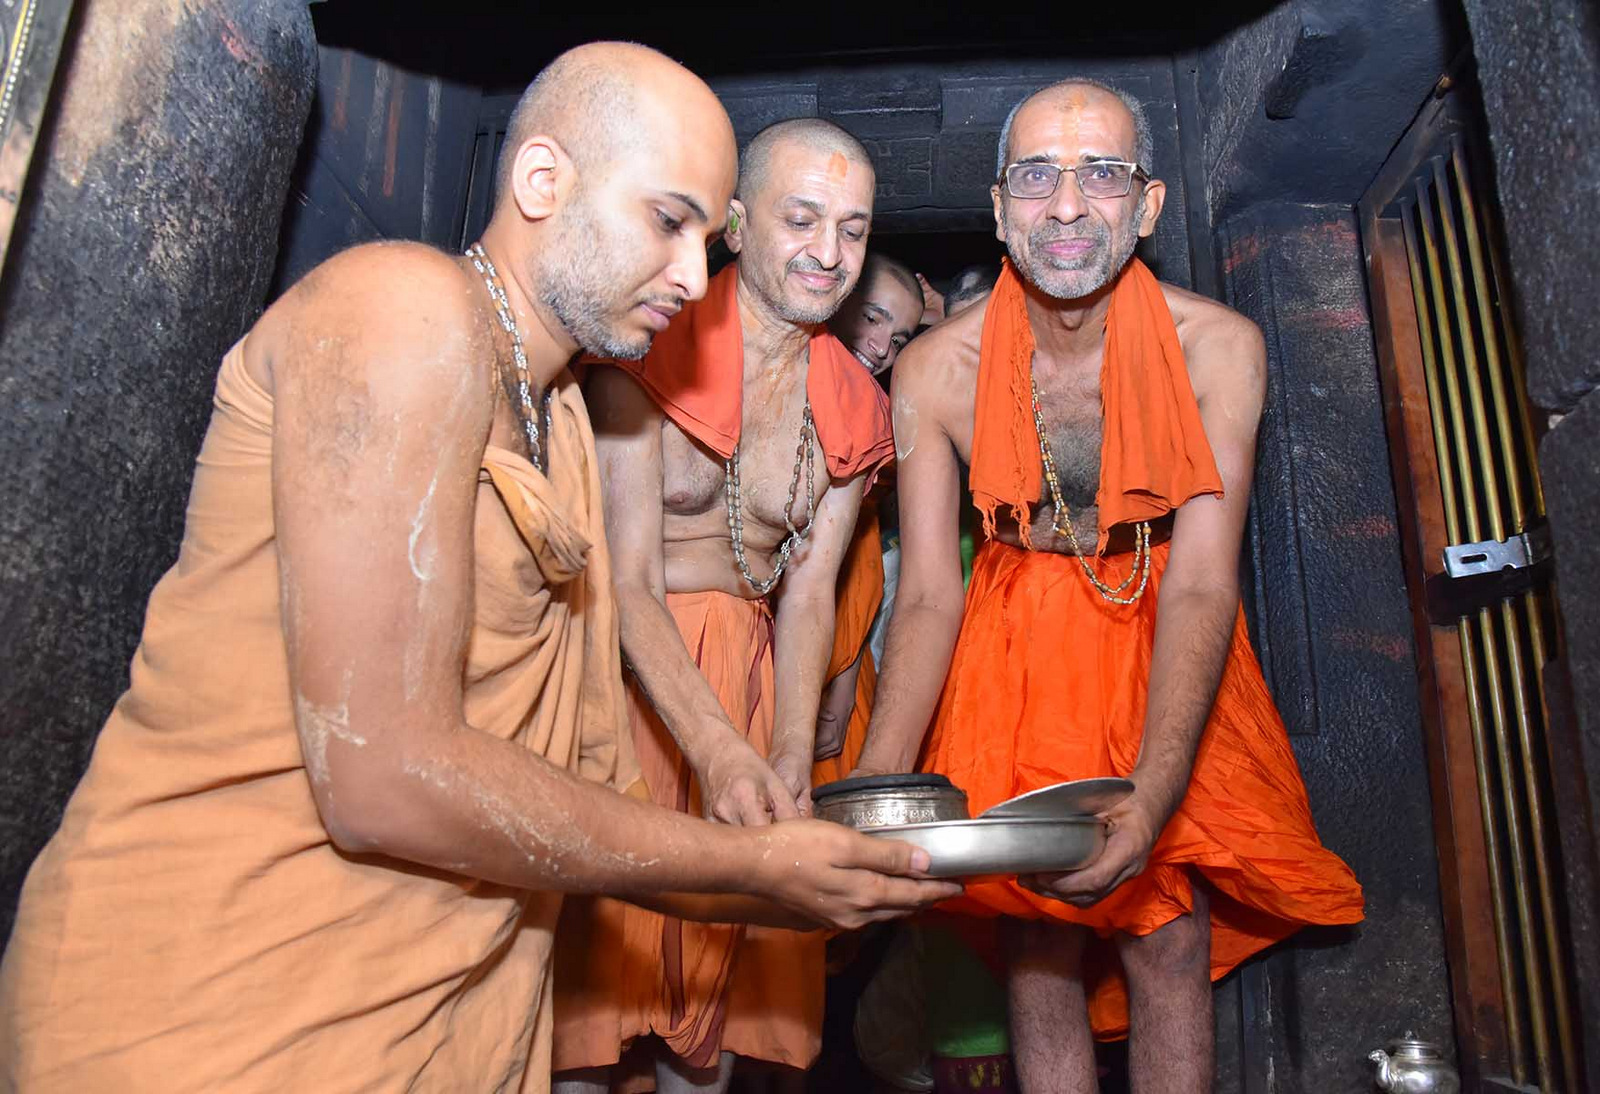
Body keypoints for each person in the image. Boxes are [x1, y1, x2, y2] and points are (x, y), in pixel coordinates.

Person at [0, 45, 958, 1094]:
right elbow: (383, 777)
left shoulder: (562, 421)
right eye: (668, 220)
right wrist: (743, 868)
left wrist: (773, 842)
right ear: (542, 181)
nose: (694, 276)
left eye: (705, 234)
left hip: (439, 1017)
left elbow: (567, 783)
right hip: (213, 1003)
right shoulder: (404, 311)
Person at [851, 78, 1364, 1093]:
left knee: (1167, 934)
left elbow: (1205, 582)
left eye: (1103, 175)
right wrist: (874, 795)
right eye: (1037, 177)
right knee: (1033, 948)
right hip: (1012, 644)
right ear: (1000, 209)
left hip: (1158, 622)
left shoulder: (1219, 349)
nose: (1070, 206)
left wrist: (1157, 788)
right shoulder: (934, 372)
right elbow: (923, 597)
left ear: (1150, 204)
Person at [552, 117, 895, 1094]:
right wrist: (718, 751)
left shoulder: (853, 405)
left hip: (747, 686)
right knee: (587, 1015)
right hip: (621, 687)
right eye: (802, 219)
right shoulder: (650, 339)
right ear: (738, 225)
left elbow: (811, 595)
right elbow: (627, 581)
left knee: (711, 1036)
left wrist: (786, 750)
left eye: (853, 229)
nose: (829, 253)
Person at [811, 252, 924, 779]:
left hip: (843, 653)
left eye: (899, 338)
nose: (881, 348)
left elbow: (863, 575)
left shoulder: (880, 420)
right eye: (873, 317)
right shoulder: (773, 385)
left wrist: (846, 676)